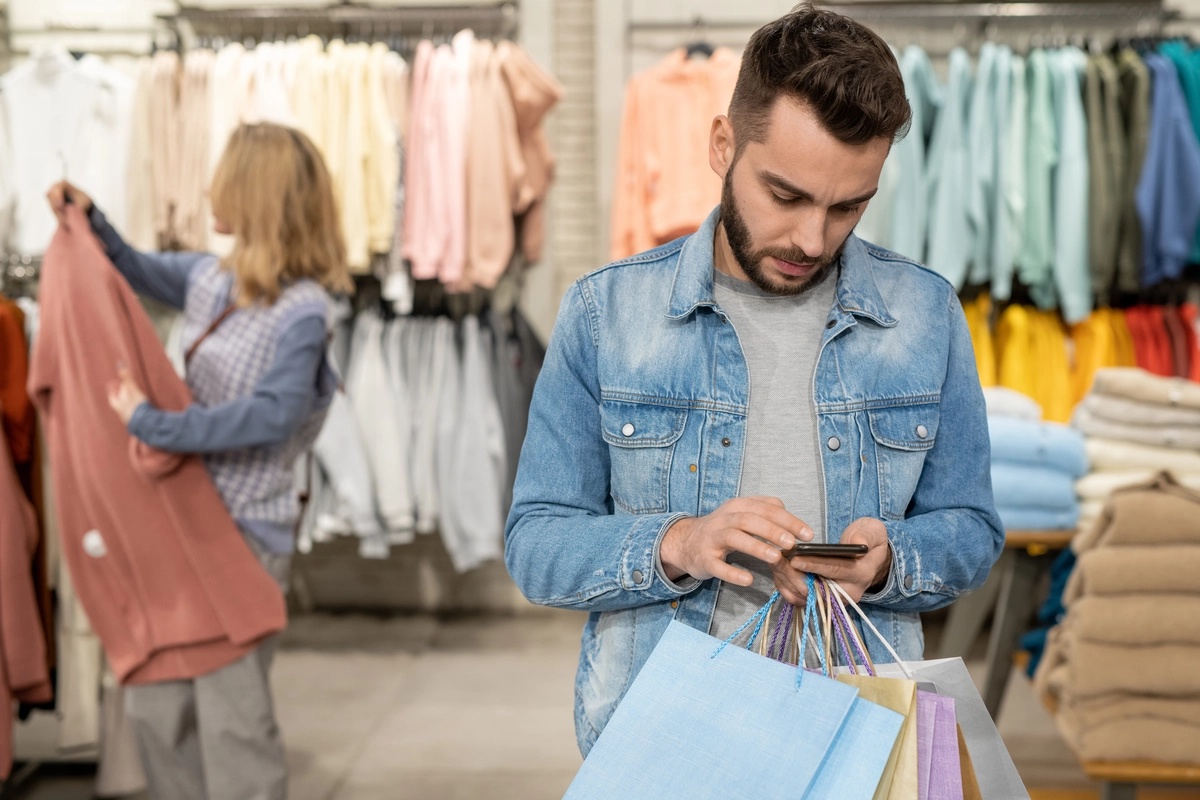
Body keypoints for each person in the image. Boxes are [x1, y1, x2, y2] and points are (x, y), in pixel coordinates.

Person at [505, 4, 1005, 756]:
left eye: (848, 207)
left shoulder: (925, 314)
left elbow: (971, 526)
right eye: (786, 195)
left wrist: (893, 558)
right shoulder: (607, 313)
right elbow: (537, 546)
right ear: (721, 145)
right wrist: (678, 541)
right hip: (658, 740)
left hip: (859, 734)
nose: (812, 238)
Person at [47, 122, 351, 800]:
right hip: (178, 524)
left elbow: (272, 417)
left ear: (259, 195)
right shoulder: (210, 278)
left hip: (243, 535)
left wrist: (154, 425)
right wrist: (88, 216)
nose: (210, 188)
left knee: (232, 722)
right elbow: (133, 266)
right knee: (159, 709)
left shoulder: (303, 311)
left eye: (225, 177)